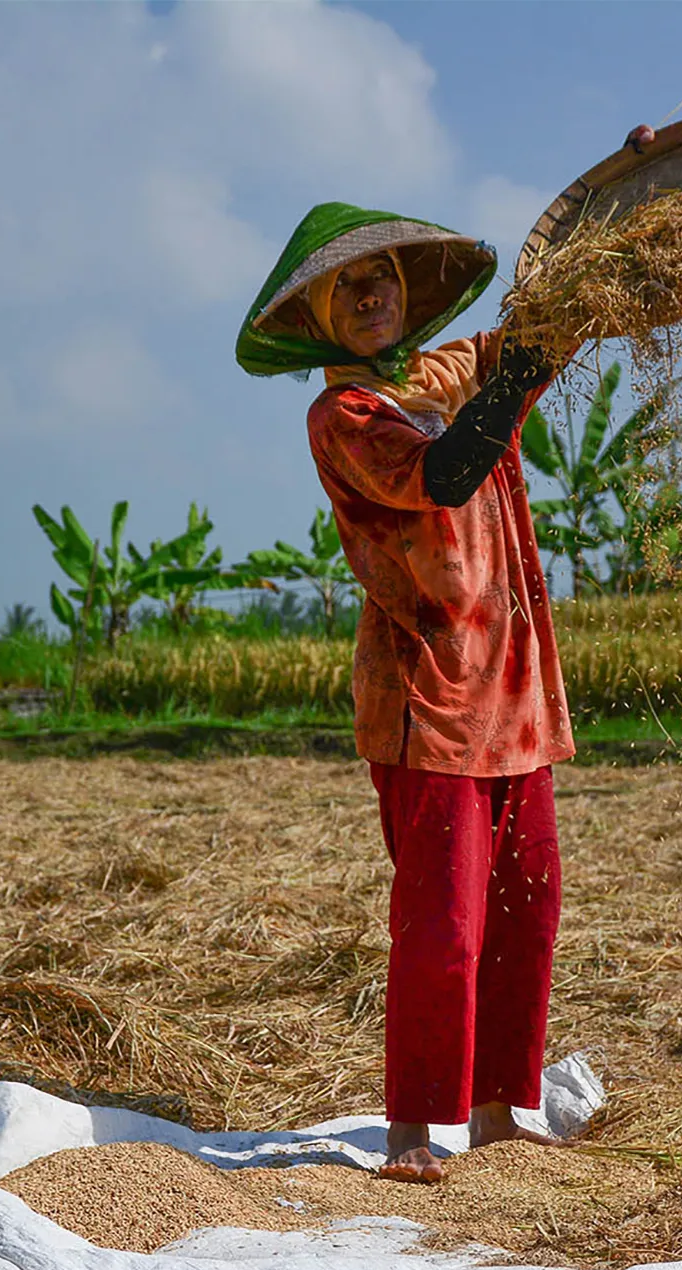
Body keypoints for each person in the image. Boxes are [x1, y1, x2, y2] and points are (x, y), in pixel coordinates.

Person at [236, 203, 574, 1182]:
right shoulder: (343, 418)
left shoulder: (443, 370)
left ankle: (501, 1109)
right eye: (349, 286)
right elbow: (451, 470)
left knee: (527, 908)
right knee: (448, 926)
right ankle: (415, 1129)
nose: (373, 294)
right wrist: (510, 382)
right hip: (429, 695)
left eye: (381, 275)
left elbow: (553, 324)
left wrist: (621, 207)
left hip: (514, 689)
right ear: (319, 317)